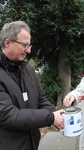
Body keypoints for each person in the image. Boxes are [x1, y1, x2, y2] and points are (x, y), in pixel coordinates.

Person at [0, 21, 65, 150]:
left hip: (31, 144)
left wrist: (56, 114)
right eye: (24, 45)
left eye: (29, 45)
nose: (28, 51)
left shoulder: (28, 69)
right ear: (7, 43)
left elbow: (41, 99)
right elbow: (9, 115)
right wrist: (50, 118)